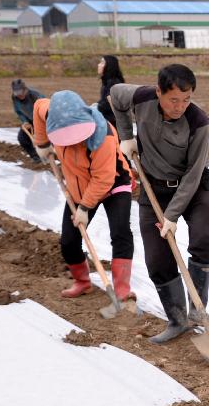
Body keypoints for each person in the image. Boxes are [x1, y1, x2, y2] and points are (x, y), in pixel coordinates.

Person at [110, 64, 209, 344]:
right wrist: (126, 136)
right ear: (159, 92)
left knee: (202, 241)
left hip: (193, 190)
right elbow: (115, 95)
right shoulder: (141, 97)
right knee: (157, 258)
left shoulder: (198, 122)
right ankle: (177, 319)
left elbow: (194, 174)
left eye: (186, 99)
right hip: (153, 188)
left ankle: (197, 311)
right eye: (173, 99)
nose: (180, 106)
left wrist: (171, 215)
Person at [32, 91, 135, 302]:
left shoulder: (102, 135)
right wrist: (42, 144)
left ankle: (122, 289)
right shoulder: (49, 109)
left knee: (121, 233)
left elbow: (103, 178)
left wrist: (84, 208)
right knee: (69, 241)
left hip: (114, 183)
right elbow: (38, 106)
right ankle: (82, 282)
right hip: (79, 187)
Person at [11, 78, 45, 163]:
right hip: (29, 121)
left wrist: (39, 123)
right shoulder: (15, 98)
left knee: (46, 141)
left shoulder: (35, 96)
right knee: (22, 138)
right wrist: (24, 121)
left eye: (20, 92)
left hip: (42, 121)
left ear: (25, 89)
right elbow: (18, 111)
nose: (18, 95)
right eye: (16, 92)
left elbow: (44, 109)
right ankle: (35, 157)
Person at [96, 55, 125, 127]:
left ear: (109, 66)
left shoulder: (113, 83)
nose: (99, 65)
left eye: (102, 63)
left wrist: (95, 108)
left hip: (113, 124)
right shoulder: (107, 82)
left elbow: (108, 104)